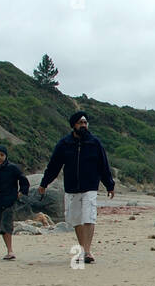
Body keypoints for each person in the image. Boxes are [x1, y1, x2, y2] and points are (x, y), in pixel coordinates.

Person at [38, 110, 114, 264]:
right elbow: (54, 165)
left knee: (89, 217)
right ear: (74, 125)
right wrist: (44, 183)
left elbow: (103, 165)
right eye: (80, 123)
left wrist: (109, 185)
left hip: (90, 186)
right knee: (77, 219)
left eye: (85, 122)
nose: (84, 125)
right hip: (72, 187)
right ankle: (82, 248)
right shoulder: (64, 144)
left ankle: (87, 251)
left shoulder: (94, 143)